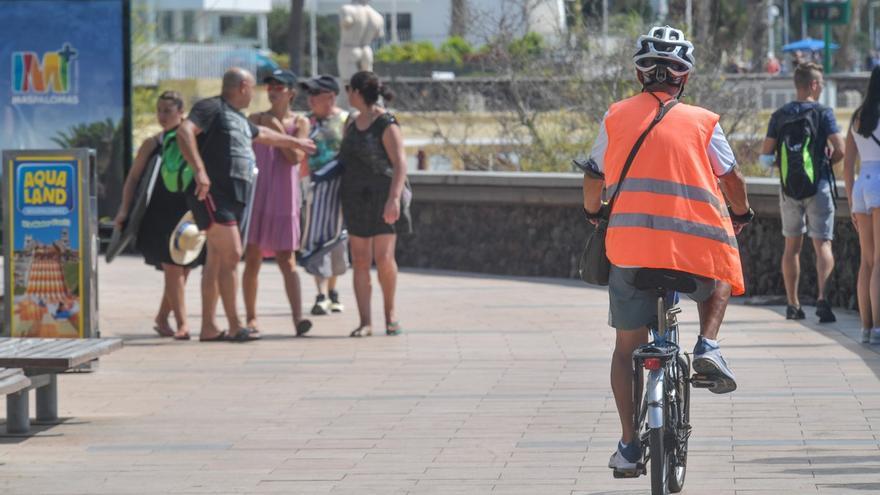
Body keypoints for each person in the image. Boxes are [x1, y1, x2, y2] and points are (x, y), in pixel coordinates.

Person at [579, 26, 753, 474]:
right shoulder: (703, 121)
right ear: (685, 78)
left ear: (640, 75)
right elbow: (731, 180)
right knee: (721, 275)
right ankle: (708, 346)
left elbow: (593, 177)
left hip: (631, 248)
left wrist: (595, 213)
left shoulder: (615, 116)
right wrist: (743, 212)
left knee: (625, 351)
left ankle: (629, 446)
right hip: (692, 249)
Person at [176, 67, 316, 342]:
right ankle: (235, 324)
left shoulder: (237, 118)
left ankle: (208, 327)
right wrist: (200, 170)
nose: (257, 94)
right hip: (214, 192)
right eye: (253, 88)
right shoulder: (211, 107)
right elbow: (184, 132)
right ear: (242, 87)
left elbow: (263, 134)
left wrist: (295, 141)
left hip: (232, 196)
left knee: (216, 260)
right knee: (233, 254)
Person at [759, 62, 845, 323]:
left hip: (789, 189)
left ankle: (792, 304)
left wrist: (784, 164)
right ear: (814, 85)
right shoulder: (823, 113)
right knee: (823, 244)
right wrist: (824, 162)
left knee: (791, 247)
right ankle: (822, 298)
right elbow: (840, 148)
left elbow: (764, 158)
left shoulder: (780, 115)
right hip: (817, 186)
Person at [114, 90, 200, 340]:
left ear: (181, 113)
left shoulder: (195, 139)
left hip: (187, 211)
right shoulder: (153, 143)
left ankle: (162, 317)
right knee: (173, 267)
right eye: (159, 110)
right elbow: (133, 178)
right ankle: (182, 324)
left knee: (183, 269)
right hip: (159, 212)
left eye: (168, 111)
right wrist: (124, 209)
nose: (162, 116)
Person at [339, 71, 411, 337]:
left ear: (357, 92)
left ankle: (390, 315)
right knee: (359, 260)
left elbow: (400, 163)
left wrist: (394, 199)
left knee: (383, 258)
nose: (347, 93)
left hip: (383, 194)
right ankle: (365, 321)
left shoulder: (386, 122)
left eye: (348, 88)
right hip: (355, 196)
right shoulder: (350, 122)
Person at [241, 69, 312, 337]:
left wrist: (278, 130)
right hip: (259, 195)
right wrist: (268, 125)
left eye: (279, 87)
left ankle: (298, 318)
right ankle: (251, 318)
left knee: (287, 259)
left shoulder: (300, 123)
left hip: (284, 197)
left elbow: (295, 157)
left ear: (291, 93)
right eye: (270, 86)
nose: (272, 91)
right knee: (253, 257)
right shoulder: (255, 119)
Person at [300, 75, 350, 316]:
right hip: (313, 190)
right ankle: (320, 293)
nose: (310, 99)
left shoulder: (345, 120)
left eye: (315, 94)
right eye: (309, 94)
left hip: (339, 189)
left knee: (337, 240)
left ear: (331, 96)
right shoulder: (306, 123)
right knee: (314, 238)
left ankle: (333, 291)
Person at [845, 66, 880, 344]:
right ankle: (878, 327)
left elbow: (847, 163)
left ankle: (866, 328)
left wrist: (850, 197)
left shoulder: (857, 117)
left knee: (866, 261)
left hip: (860, 186)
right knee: (879, 261)